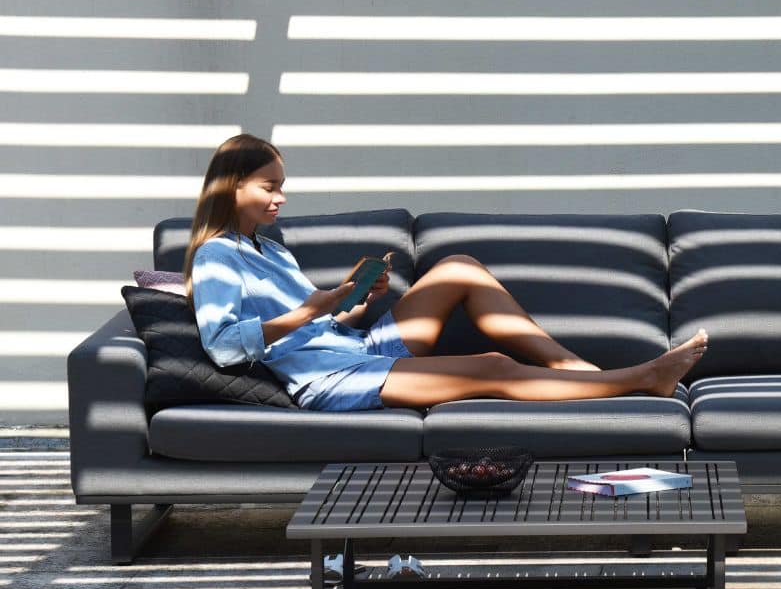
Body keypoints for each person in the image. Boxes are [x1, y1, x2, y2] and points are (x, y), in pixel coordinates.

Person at [185, 134, 708, 412]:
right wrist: (313, 307)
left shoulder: (270, 251)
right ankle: (641, 379)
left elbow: (329, 325)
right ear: (232, 187)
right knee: (493, 367)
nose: (281, 197)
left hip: (352, 347)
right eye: (268, 187)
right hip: (330, 378)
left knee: (460, 267)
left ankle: (578, 371)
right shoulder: (215, 257)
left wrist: (358, 301)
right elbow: (225, 346)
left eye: (281, 185)